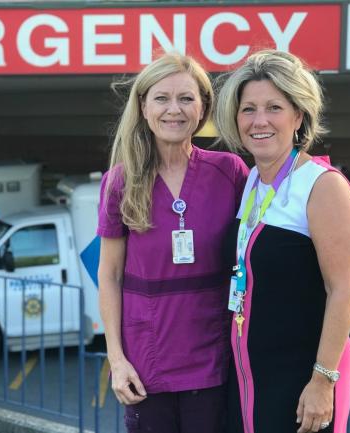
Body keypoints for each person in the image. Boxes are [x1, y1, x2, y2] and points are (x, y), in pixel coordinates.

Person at [97, 52, 249, 433]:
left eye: (186, 98)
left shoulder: (229, 172)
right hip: (146, 362)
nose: (174, 110)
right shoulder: (120, 182)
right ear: (144, 106)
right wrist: (116, 360)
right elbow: (110, 275)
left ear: (203, 108)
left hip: (214, 358)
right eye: (162, 98)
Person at [213, 50, 350, 433]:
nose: (259, 121)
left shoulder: (322, 185)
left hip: (299, 386)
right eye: (248, 109)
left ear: (298, 116)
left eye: (274, 107)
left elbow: (343, 289)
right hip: (249, 381)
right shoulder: (251, 181)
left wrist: (323, 381)